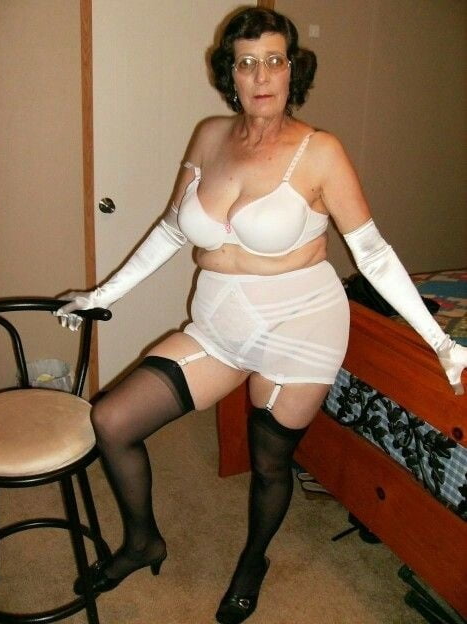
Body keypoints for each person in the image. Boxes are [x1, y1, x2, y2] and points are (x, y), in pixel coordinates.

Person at [56, 8, 467, 624]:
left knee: (270, 461)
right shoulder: (209, 135)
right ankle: (143, 543)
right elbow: (172, 229)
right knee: (113, 420)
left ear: (293, 69)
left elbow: (374, 254)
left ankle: (253, 559)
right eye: (246, 63)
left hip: (301, 330)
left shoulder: (320, 151)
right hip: (218, 330)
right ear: (231, 73)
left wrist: (439, 340)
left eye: (274, 60)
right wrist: (103, 294)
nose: (261, 75)